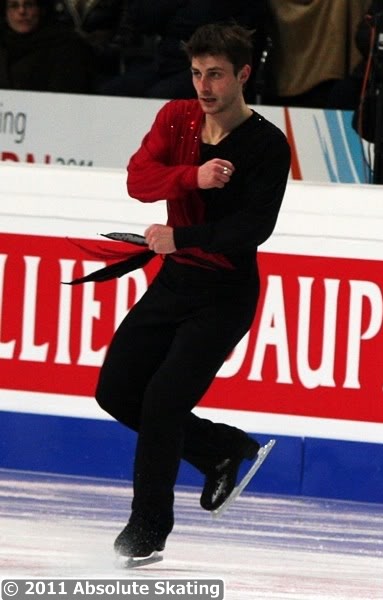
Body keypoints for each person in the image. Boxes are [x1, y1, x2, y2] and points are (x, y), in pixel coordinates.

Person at [94, 23, 291, 561]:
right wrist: (191, 178)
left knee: (163, 401)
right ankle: (221, 448)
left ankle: (147, 530)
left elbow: (253, 229)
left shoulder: (267, 144)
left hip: (224, 292)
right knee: (116, 391)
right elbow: (139, 180)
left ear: (243, 75)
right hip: (175, 280)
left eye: (216, 75)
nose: (204, 86)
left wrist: (180, 236)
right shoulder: (176, 117)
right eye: (197, 73)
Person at [98, 0, 269, 102]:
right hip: (166, 61)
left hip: (211, 65)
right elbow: (144, 18)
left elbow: (203, 23)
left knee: (160, 97)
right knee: (112, 91)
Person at [0, 0, 94, 93]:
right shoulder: (3, 44)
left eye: (29, 5)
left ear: (41, 10)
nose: (22, 11)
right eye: (14, 6)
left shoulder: (66, 46)